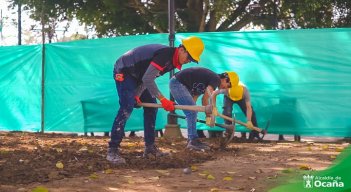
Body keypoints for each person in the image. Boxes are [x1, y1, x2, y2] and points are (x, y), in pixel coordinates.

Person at [107, 36, 205, 164]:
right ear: (182, 49)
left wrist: (138, 93)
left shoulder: (172, 62)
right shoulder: (165, 56)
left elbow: (146, 77)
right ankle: (112, 150)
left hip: (137, 75)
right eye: (189, 57)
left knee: (151, 106)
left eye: (191, 60)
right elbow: (147, 79)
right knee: (127, 107)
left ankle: (150, 148)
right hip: (124, 70)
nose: (188, 61)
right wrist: (163, 99)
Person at [169, 67, 231, 150]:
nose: (226, 88)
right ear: (225, 79)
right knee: (192, 112)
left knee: (192, 112)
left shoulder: (208, 81)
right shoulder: (216, 79)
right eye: (229, 85)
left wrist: (193, 114)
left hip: (178, 83)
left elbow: (195, 97)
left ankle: (192, 140)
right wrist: (208, 117)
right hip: (177, 83)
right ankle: (193, 141)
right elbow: (205, 99)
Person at [216, 72, 260, 140]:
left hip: (241, 97)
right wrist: (213, 107)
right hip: (229, 97)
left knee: (252, 113)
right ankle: (229, 133)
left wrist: (249, 121)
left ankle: (255, 134)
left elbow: (248, 107)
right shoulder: (225, 89)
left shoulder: (245, 91)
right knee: (226, 112)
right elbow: (214, 94)